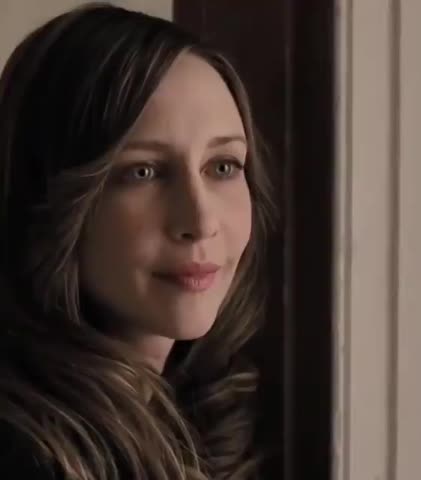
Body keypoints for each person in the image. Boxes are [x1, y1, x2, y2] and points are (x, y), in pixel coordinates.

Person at [0, 2, 276, 479]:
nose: (200, 221)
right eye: (144, 172)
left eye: (223, 166)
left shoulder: (191, 414)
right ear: (48, 197)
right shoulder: (25, 455)